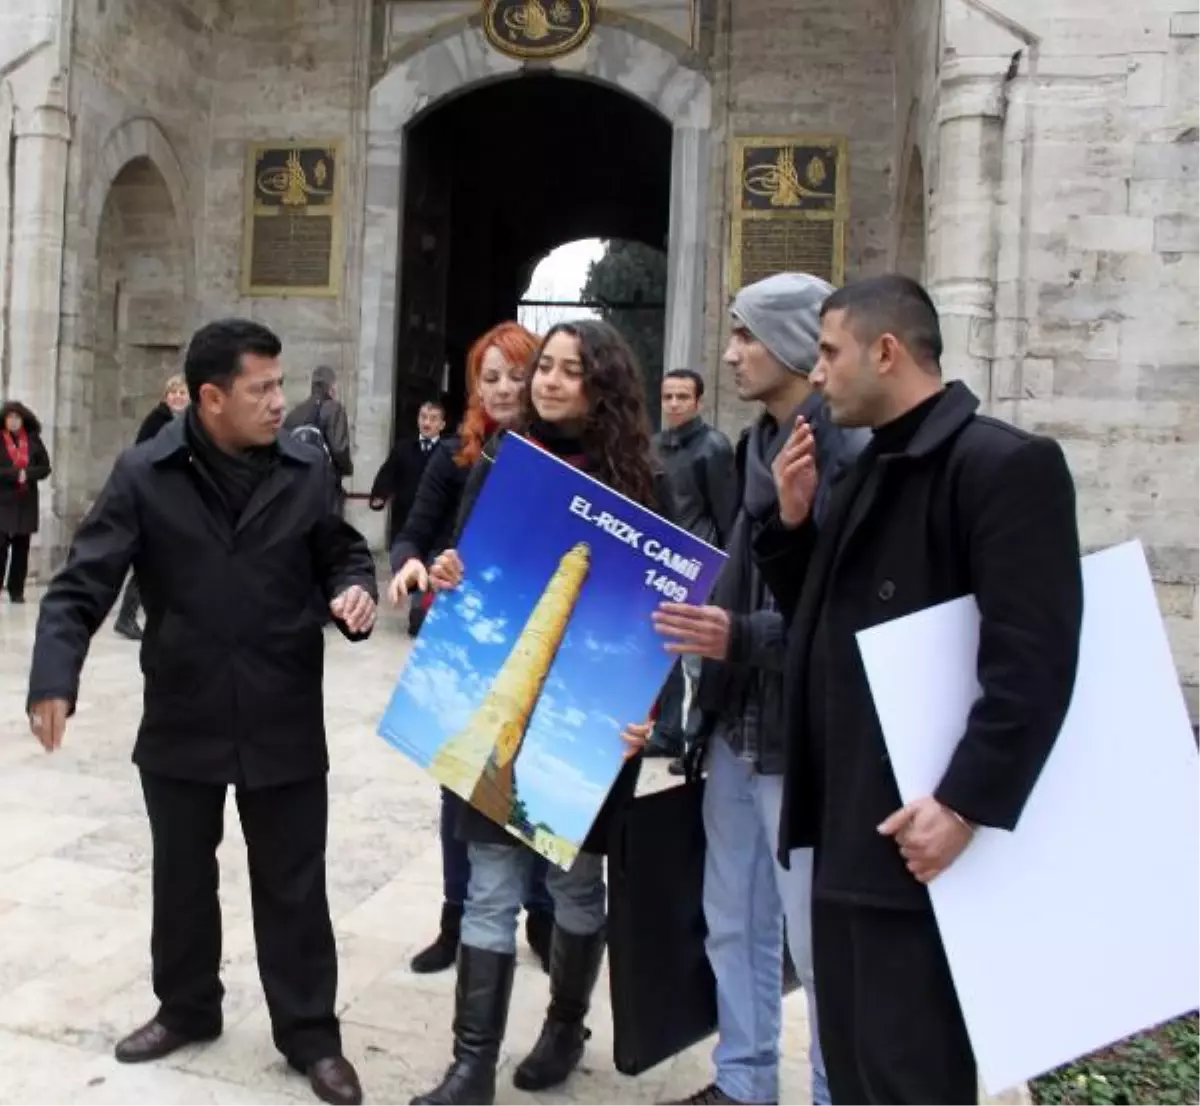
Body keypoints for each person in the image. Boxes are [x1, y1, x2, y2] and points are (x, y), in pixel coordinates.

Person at [26, 318, 380, 1106]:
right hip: (182, 705)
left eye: (280, 385)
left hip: (281, 702)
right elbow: (83, 582)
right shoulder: (145, 473)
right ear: (211, 398)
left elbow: (341, 553)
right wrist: (55, 674)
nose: (279, 402)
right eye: (262, 389)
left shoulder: (303, 466)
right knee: (182, 876)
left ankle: (312, 1036)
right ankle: (186, 1006)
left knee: (292, 882)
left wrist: (352, 590)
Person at [757, 274, 1083, 1106]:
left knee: (912, 1079)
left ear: (887, 351)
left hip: (920, 836)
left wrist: (966, 803)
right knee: (857, 1072)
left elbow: (1034, 660)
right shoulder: (870, 467)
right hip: (848, 825)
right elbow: (824, 627)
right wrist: (792, 527)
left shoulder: (1005, 465)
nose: (818, 373)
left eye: (829, 353)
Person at [410, 319, 667, 1106]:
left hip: (594, 714)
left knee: (579, 885)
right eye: (543, 367)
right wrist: (449, 571)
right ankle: (471, 1066)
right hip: (502, 700)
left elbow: (662, 608)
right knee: (489, 883)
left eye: (569, 371)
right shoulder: (502, 459)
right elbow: (464, 553)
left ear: (604, 384)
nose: (548, 382)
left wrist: (652, 710)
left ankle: (564, 1027)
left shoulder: (644, 479)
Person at [652, 273, 864, 1106]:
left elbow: (841, 606)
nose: (731, 353)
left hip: (800, 732)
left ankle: (832, 1090)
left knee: (815, 938)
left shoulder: (844, 450)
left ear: (801, 345)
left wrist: (744, 638)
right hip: (736, 720)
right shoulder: (754, 446)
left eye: (746, 335)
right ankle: (743, 1081)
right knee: (734, 917)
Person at [386, 322, 555, 977]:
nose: (507, 388)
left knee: (529, 785)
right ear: (474, 386)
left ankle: (540, 914)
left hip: (538, 644)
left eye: (519, 374)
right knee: (458, 783)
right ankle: (456, 918)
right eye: (493, 377)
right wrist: (415, 566)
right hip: (465, 642)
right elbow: (415, 533)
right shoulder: (458, 454)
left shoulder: (562, 455)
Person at [648, 369, 737, 761]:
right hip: (660, 561)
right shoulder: (654, 446)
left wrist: (725, 570)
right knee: (662, 650)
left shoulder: (714, 447)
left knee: (696, 660)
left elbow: (727, 513)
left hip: (701, 562)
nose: (674, 404)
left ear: (698, 402)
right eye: (668, 397)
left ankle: (696, 742)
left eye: (682, 397)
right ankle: (667, 733)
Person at [113, 375, 191, 640]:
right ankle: (126, 616)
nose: (178, 396)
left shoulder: (188, 422)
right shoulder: (156, 421)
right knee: (151, 558)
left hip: (180, 496)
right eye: (173, 393)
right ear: (165, 396)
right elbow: (144, 456)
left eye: (182, 392)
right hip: (158, 495)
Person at [370, 398, 448, 544]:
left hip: (435, 522)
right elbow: (388, 473)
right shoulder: (403, 447)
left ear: (442, 424)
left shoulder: (447, 452)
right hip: (404, 518)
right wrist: (380, 494)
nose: (427, 423)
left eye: (433, 419)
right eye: (423, 417)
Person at [0, 400, 52, 603]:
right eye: (10, 417)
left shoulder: (33, 440)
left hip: (26, 500)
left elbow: (45, 467)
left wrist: (27, 474)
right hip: (3, 500)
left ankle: (16, 589)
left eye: (17, 418)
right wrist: (15, 475)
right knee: (1, 546)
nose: (13, 421)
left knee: (22, 547)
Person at [284, 364, 354, 503]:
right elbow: (339, 449)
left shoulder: (294, 413)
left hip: (296, 487)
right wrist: (347, 468)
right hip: (324, 487)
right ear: (331, 387)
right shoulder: (333, 408)